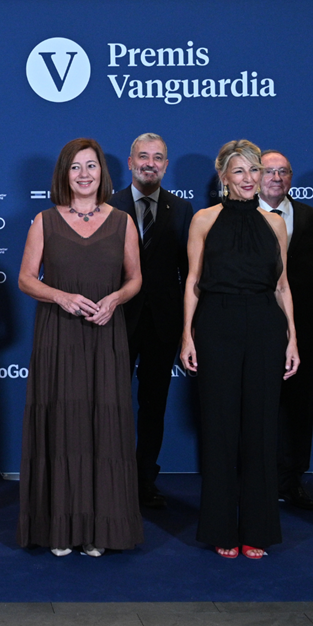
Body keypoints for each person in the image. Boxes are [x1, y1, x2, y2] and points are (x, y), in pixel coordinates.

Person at [17, 138, 145, 556]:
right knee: (63, 429)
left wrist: (116, 300)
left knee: (102, 431)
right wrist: (60, 296)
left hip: (105, 335)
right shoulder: (44, 220)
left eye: (91, 166)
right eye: (75, 167)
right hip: (59, 336)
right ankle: (60, 529)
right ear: (64, 175)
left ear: (103, 174)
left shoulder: (124, 221)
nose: (84, 174)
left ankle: (97, 531)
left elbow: (134, 279)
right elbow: (25, 279)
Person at [181, 140, 298, 560]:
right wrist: (187, 336)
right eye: (240, 172)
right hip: (217, 324)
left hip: (266, 326)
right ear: (224, 177)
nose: (250, 179)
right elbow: (193, 282)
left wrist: (293, 340)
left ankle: (257, 528)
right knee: (219, 428)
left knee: (261, 430)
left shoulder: (276, 223)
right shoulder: (203, 220)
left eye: (255, 171)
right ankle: (220, 527)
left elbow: (283, 286)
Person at [108, 133, 192, 509]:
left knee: (153, 405)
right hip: (116, 321)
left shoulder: (183, 210)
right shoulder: (108, 206)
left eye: (158, 158)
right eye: (143, 156)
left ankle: (145, 478)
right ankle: (112, 478)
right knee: (112, 403)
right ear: (129, 162)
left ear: (166, 165)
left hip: (163, 323)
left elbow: (189, 273)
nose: (150, 163)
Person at [258, 150, 313, 512]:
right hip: (253, 329)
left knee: (298, 409)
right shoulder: (239, 216)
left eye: (283, 171)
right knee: (258, 407)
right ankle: (258, 480)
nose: (276, 178)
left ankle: (293, 480)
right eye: (269, 171)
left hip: (304, 327)